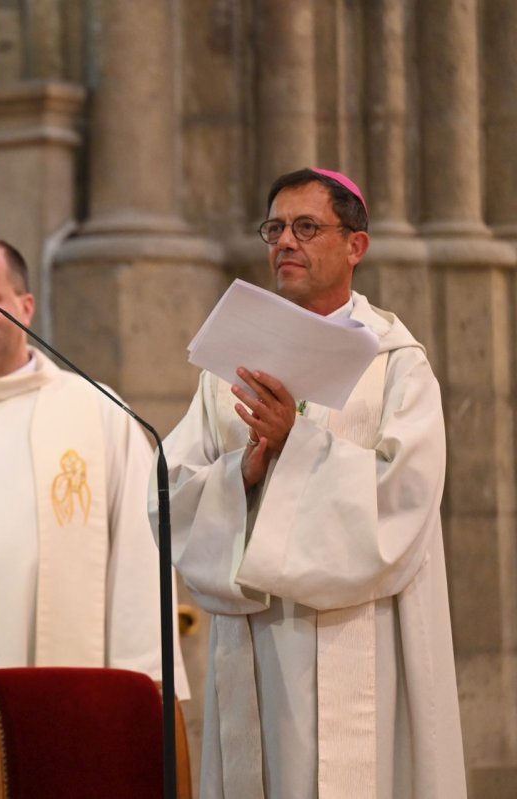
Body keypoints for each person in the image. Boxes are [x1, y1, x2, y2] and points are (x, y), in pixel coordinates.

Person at [158, 168, 466, 798]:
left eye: (306, 227)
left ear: (356, 246)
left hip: (364, 637)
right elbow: (170, 488)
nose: (285, 243)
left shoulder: (395, 364)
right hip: (255, 641)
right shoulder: (232, 363)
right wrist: (241, 472)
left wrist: (297, 446)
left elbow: (404, 496)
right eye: (275, 228)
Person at [0, 236, 189, 796]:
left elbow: (139, 556)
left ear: (25, 307)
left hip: (68, 687)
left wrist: (141, 688)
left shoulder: (96, 412)